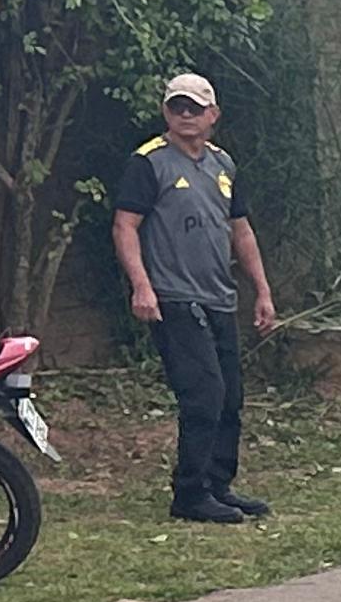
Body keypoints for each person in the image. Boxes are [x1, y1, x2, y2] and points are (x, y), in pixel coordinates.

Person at [110, 71, 278, 525]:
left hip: (219, 295)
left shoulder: (223, 164)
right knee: (203, 393)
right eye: (176, 107)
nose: (185, 115)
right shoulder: (149, 162)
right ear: (166, 111)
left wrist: (261, 291)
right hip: (174, 297)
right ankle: (189, 493)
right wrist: (141, 285)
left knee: (230, 398)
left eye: (194, 108)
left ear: (213, 115)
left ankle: (218, 484)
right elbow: (126, 226)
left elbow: (240, 230)